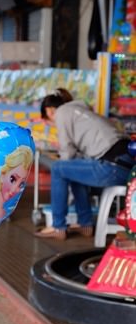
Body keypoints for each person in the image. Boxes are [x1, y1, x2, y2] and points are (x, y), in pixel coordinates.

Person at [35, 88, 132, 240]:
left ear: (49, 111)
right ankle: (85, 224)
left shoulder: (61, 113)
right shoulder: (80, 111)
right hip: (126, 166)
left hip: (112, 166)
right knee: (74, 170)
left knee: (58, 169)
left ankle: (58, 225)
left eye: (50, 124)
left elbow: (67, 153)